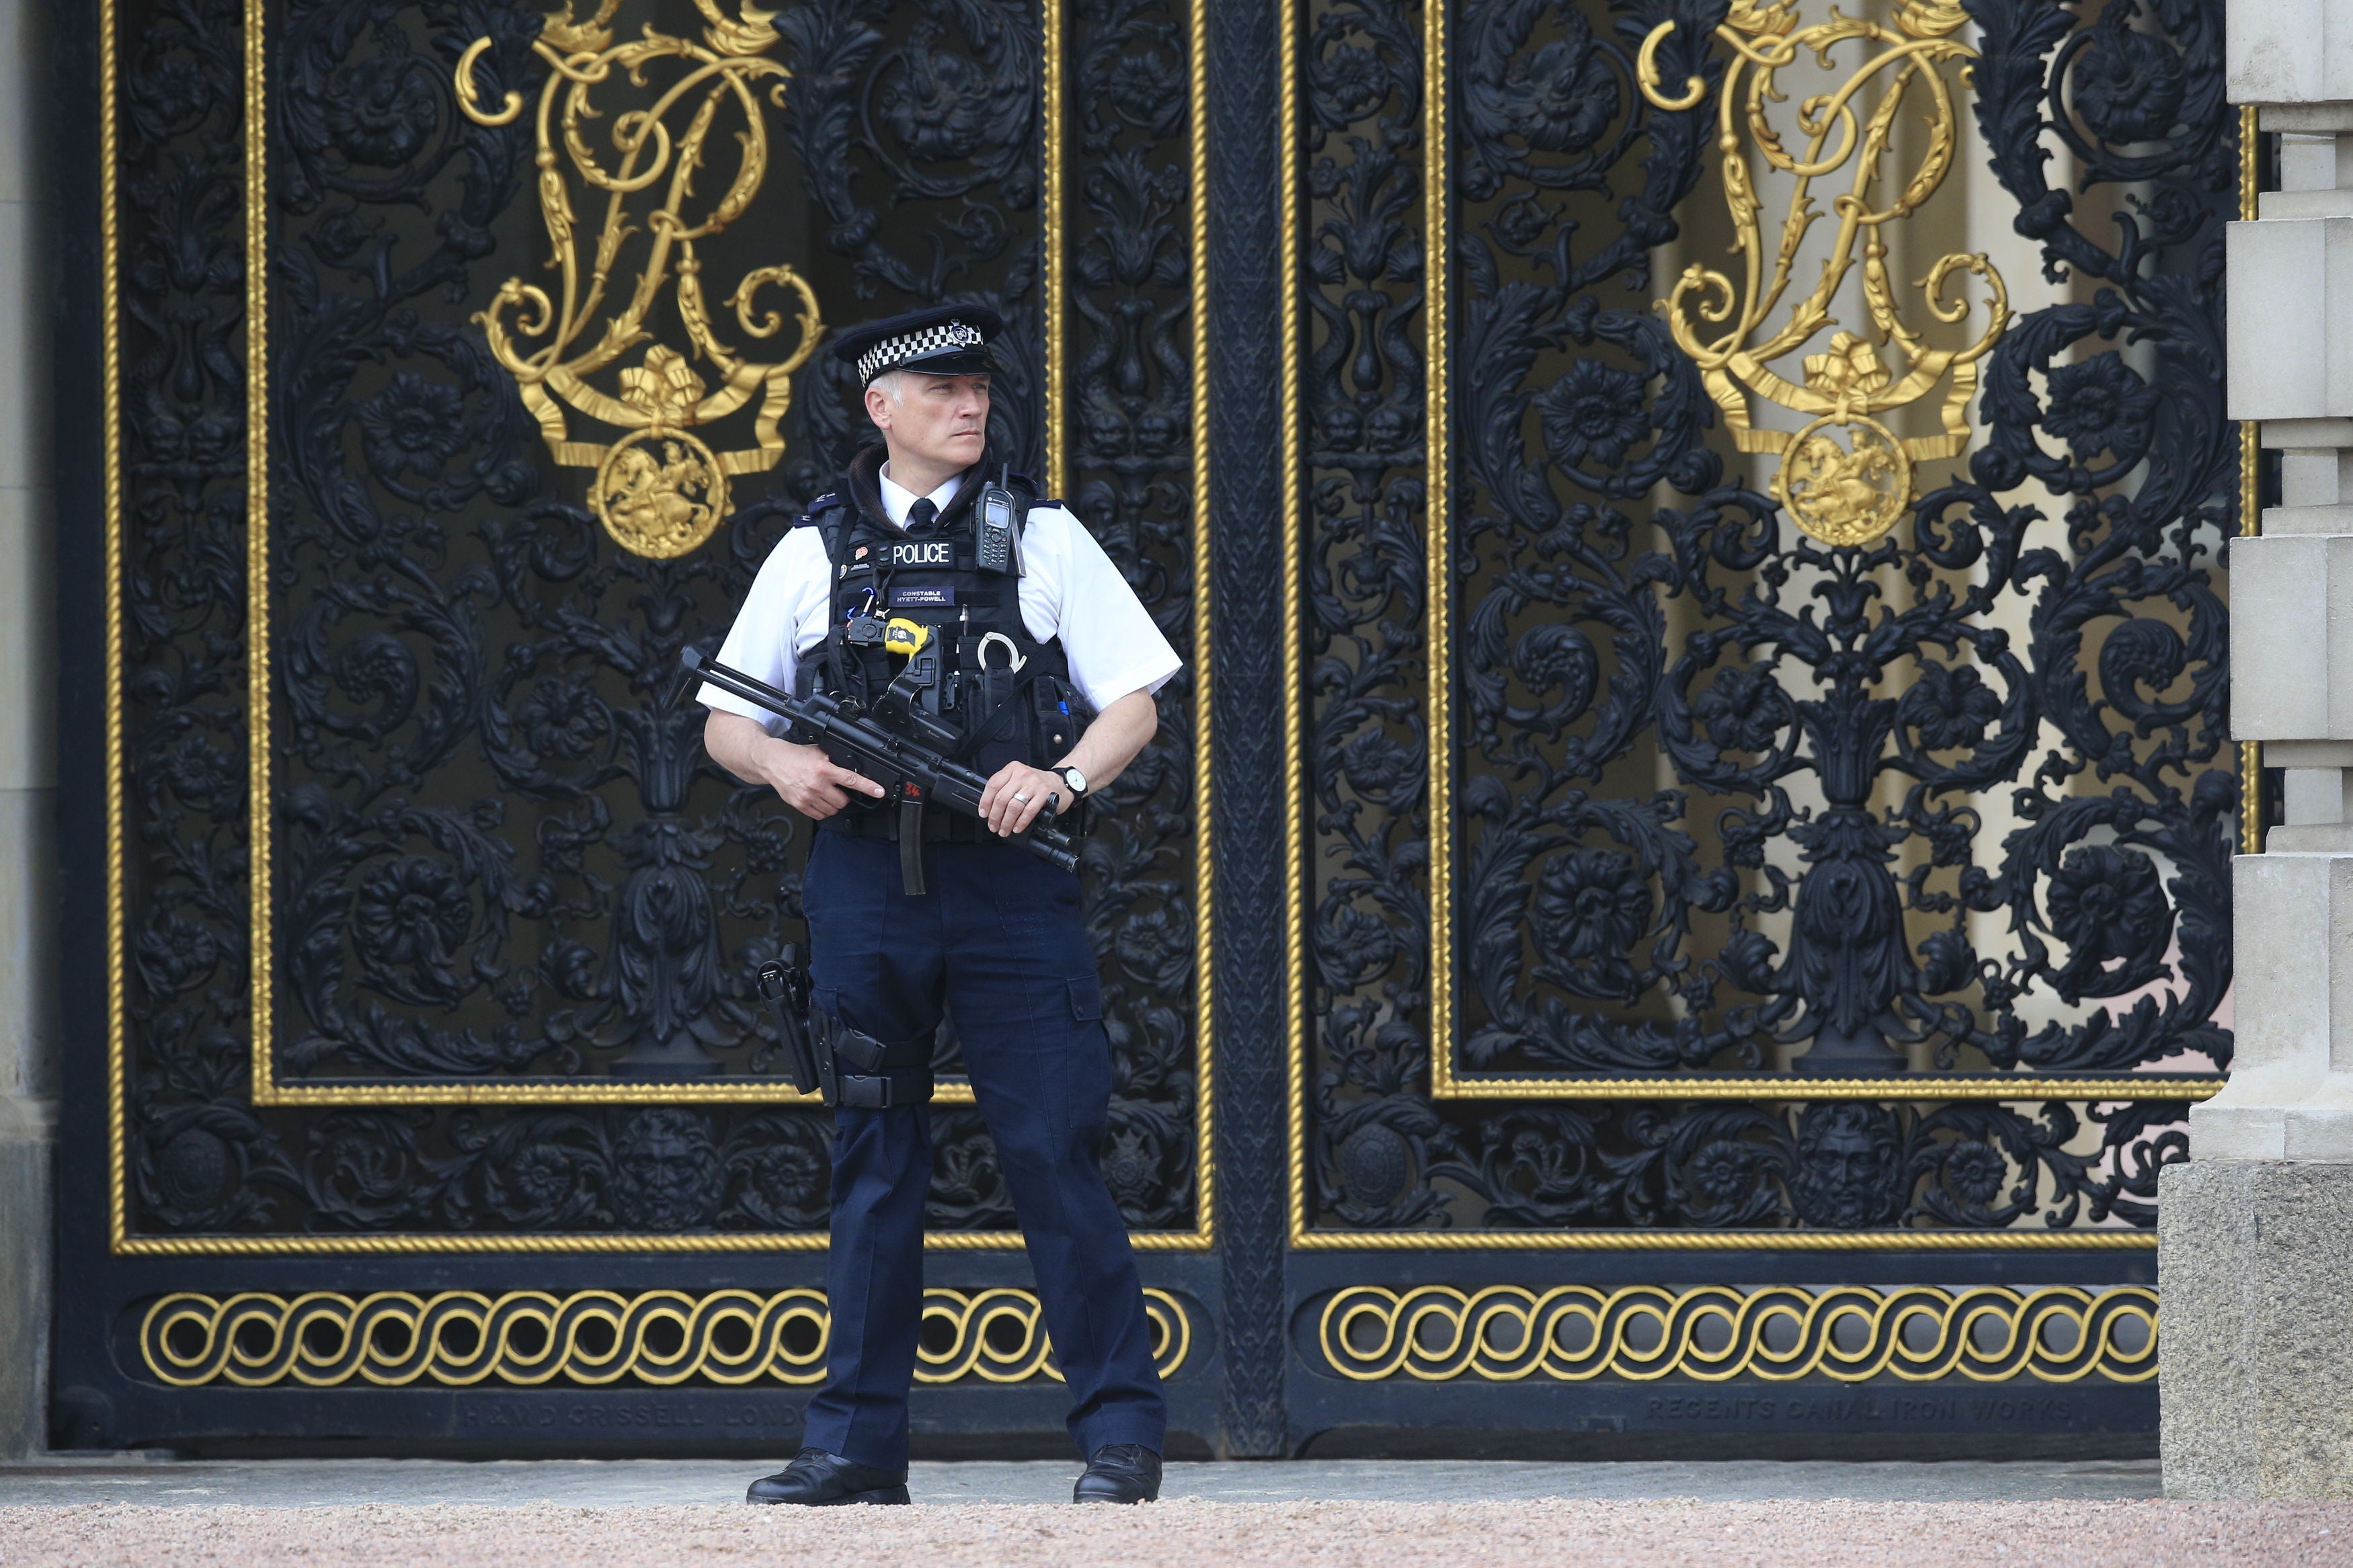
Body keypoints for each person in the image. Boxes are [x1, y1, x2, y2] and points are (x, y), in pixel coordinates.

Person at [699, 304, 1177, 1507]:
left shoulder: (1044, 536)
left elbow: (1136, 700)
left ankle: (1121, 1435)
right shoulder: (814, 550)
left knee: (1052, 1153)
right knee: (875, 1159)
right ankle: (856, 1445)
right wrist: (782, 767)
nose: (970, 406)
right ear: (882, 409)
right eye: (944, 389)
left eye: (979, 388)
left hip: (1012, 883)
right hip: (865, 883)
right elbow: (724, 716)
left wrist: (1059, 777)